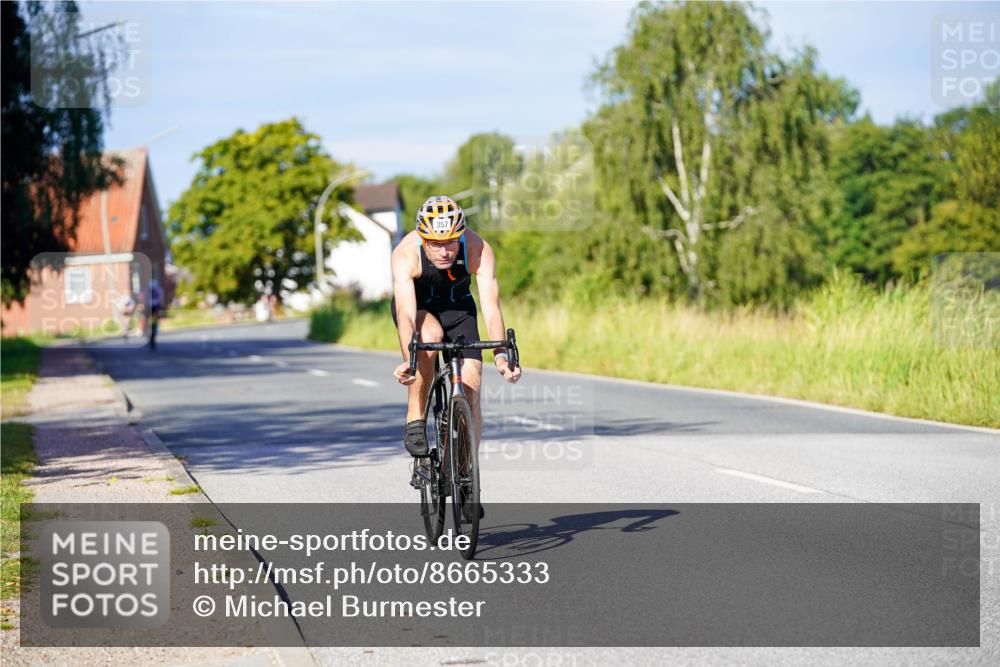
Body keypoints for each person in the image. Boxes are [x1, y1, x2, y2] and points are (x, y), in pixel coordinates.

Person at [391, 195, 522, 458]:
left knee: (471, 386)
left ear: (460, 235)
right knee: (430, 335)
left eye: (450, 242)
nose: (444, 251)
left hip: (459, 309)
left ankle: (465, 482)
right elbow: (405, 315)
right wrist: (410, 360)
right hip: (419, 307)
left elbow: (491, 307)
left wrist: (500, 356)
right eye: (435, 244)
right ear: (423, 238)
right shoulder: (405, 253)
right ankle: (415, 416)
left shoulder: (477, 249)